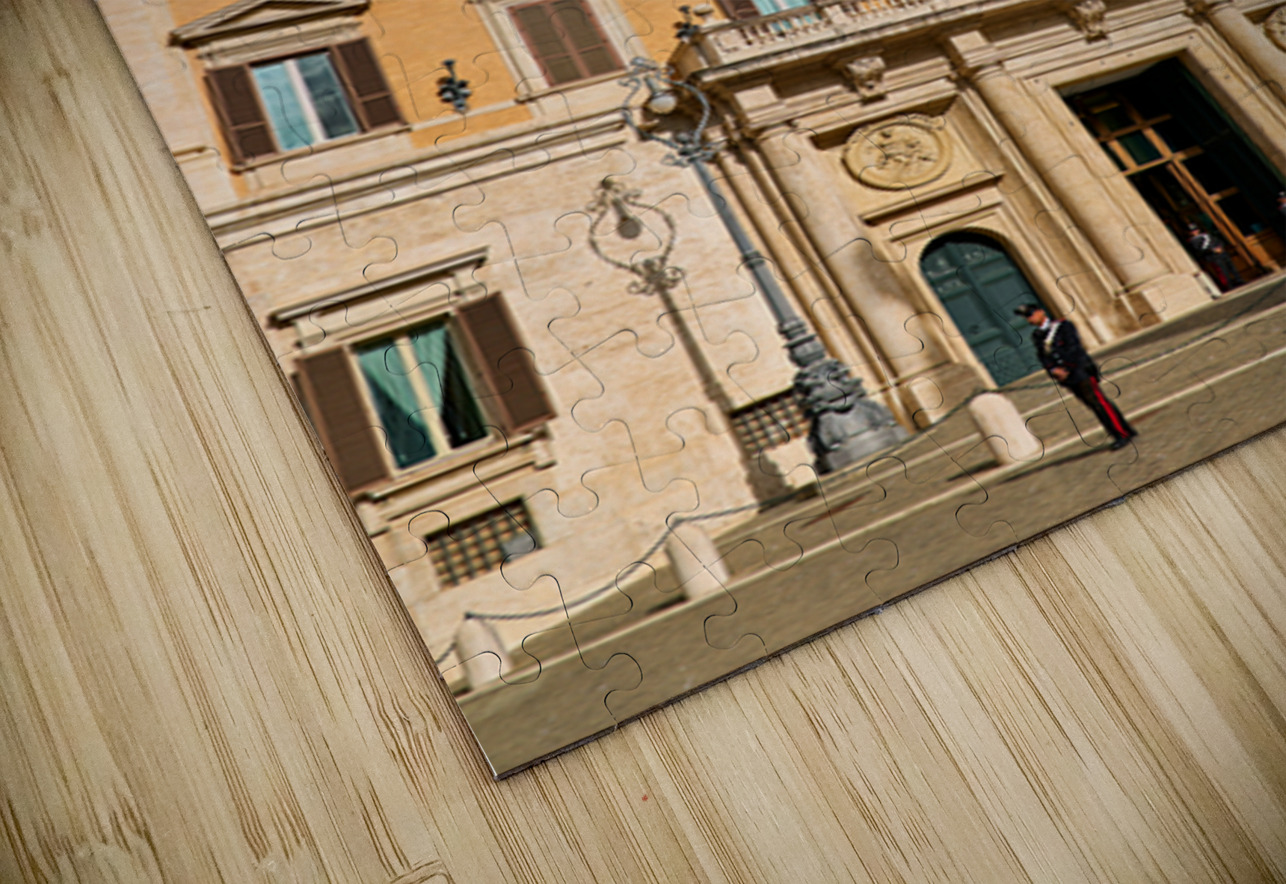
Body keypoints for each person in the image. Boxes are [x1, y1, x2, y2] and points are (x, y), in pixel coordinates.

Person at [1015, 305, 1137, 450]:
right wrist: (1053, 369)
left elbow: (1074, 348)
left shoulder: (1063, 326)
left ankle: (1121, 433)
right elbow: (1043, 356)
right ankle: (1125, 430)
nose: (1030, 319)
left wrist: (1067, 368)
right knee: (1092, 405)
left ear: (1041, 312)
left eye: (1031, 314)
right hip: (1066, 378)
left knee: (1099, 403)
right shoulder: (1037, 336)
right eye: (1027, 317)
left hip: (1080, 371)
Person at [1184, 221, 1243, 293]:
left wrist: (1220, 247)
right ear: (1189, 233)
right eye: (1193, 231)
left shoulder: (1207, 235)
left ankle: (1239, 280)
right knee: (1223, 271)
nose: (1195, 231)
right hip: (1213, 257)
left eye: (1196, 229)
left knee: (1231, 267)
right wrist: (1213, 250)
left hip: (1222, 253)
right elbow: (1200, 250)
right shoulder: (1193, 241)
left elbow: (1218, 240)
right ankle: (1230, 285)